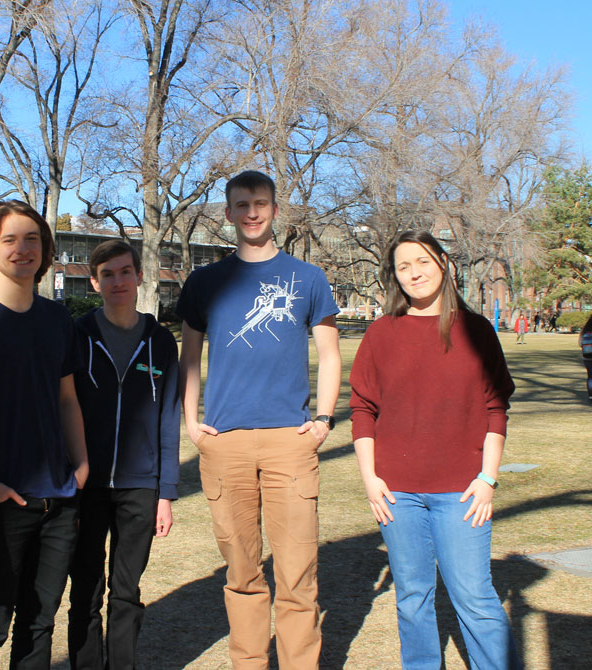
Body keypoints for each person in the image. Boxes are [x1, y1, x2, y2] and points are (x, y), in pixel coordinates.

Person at [177, 170, 341, 670]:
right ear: (227, 214)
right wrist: (192, 422)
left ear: (275, 209)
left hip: (288, 443)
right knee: (242, 574)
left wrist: (324, 420)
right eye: (242, 204)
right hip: (225, 443)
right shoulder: (206, 282)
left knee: (297, 576)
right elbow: (189, 357)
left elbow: (330, 356)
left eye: (261, 203)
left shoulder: (307, 278)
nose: (252, 212)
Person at [350, 229, 521, 670]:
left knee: (475, 598)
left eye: (423, 261)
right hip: (397, 495)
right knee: (411, 597)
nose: (414, 273)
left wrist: (488, 478)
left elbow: (495, 407)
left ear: (443, 264)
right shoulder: (382, 334)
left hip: (462, 493)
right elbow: (363, 410)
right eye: (404, 267)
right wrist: (371, 480)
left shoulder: (476, 331)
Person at [0, 200, 89, 670]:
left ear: (45, 249)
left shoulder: (56, 319)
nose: (22, 249)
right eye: (10, 239)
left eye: (32, 239)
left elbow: (67, 399)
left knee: (40, 620)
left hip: (58, 500)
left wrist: (81, 465)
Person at [67, 239, 180, 670]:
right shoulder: (77, 337)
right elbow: (64, 410)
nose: (118, 281)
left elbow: (169, 419)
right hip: (86, 485)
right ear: (94, 281)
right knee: (85, 591)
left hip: (140, 486)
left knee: (127, 590)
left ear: (139, 276)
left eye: (125, 272)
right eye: (108, 274)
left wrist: (165, 492)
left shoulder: (159, 342)